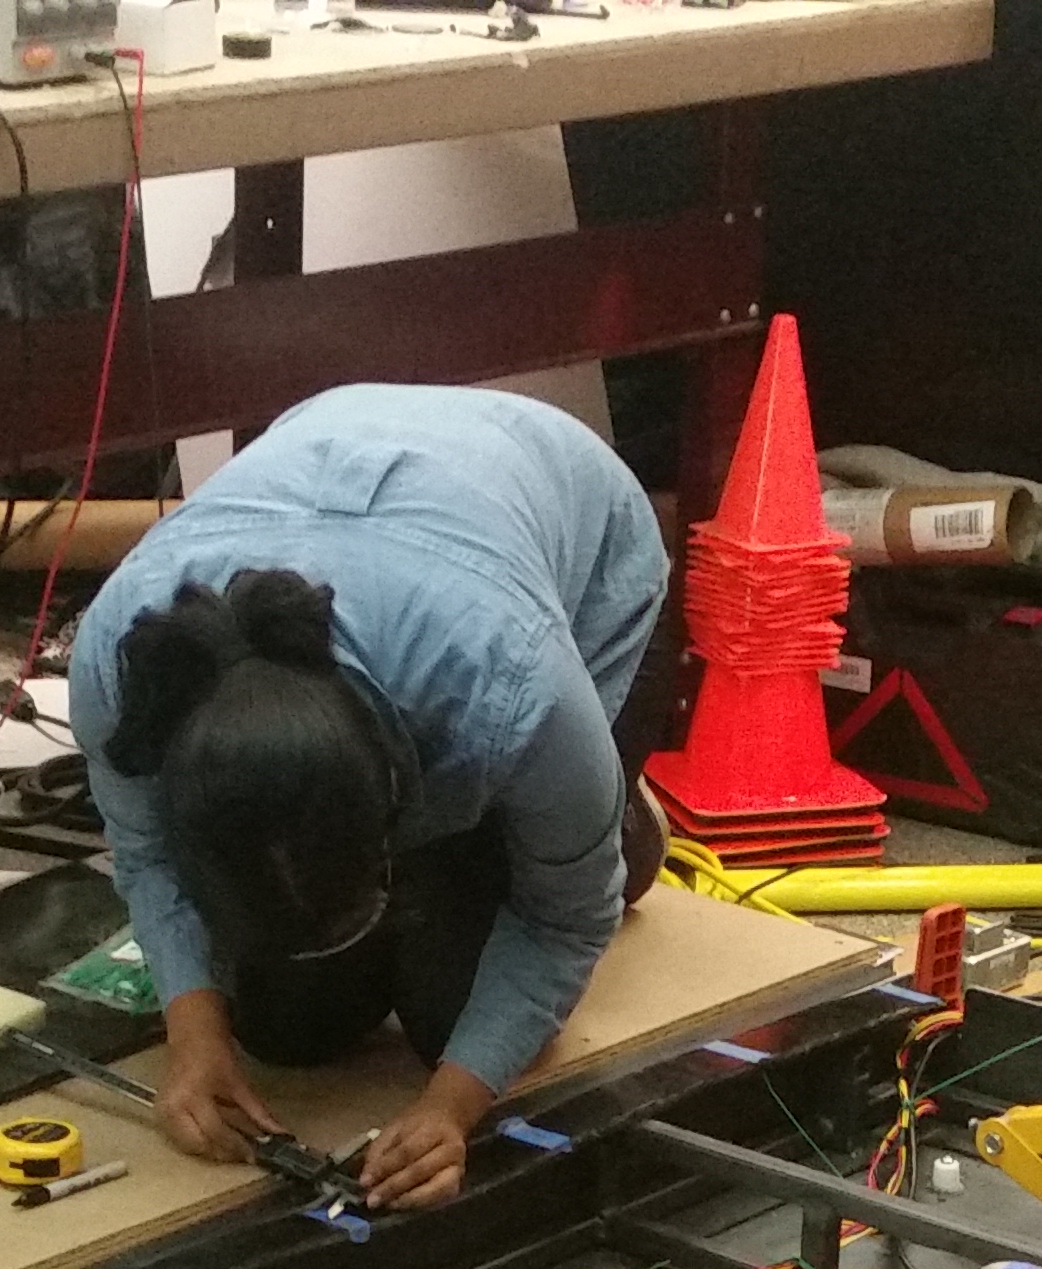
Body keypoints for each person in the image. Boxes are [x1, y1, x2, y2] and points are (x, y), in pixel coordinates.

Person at [70, 386, 670, 1211]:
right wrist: (193, 1038)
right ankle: (524, 838)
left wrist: (450, 1109)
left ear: (393, 800)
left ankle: (610, 823)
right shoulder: (125, 671)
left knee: (450, 1015)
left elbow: (563, 922)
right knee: (286, 1029)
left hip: (565, 511)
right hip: (342, 462)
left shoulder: (512, 689)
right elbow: (144, 854)